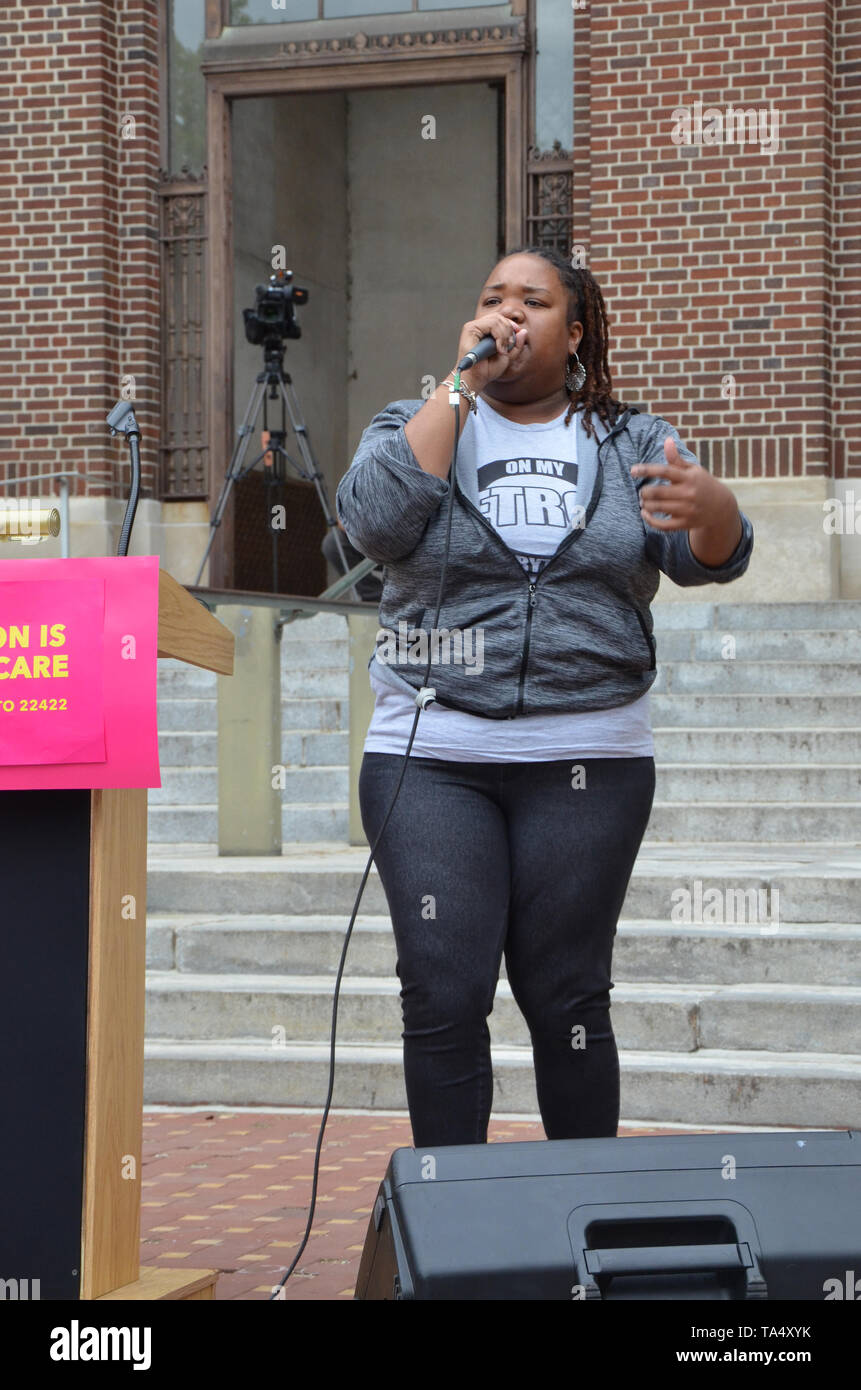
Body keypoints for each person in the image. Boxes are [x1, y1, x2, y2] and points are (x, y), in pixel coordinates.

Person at [335, 246, 753, 1149]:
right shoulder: (417, 419)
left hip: (590, 756)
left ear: (574, 333)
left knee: (566, 992)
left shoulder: (632, 440)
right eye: (492, 298)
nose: (508, 313)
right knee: (443, 987)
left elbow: (702, 557)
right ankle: (453, 1238)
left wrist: (715, 508)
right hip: (433, 751)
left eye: (534, 300)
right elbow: (372, 524)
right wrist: (457, 387)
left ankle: (581, 1221)